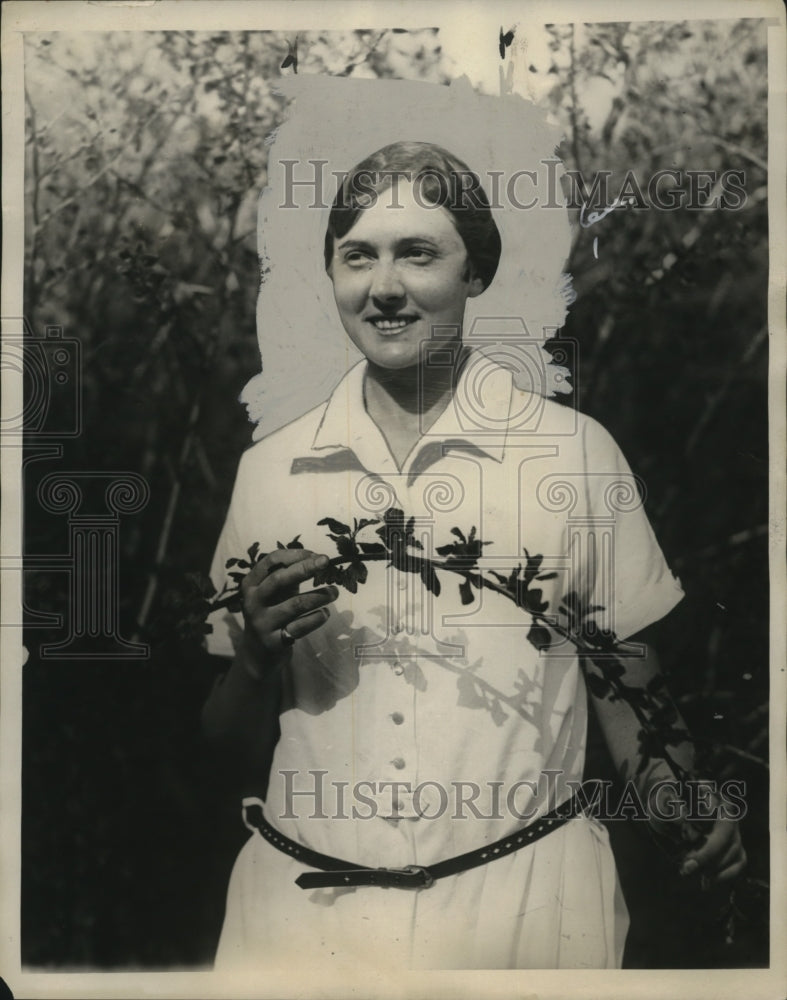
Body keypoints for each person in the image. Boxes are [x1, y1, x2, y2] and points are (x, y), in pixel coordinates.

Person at [202, 141, 745, 971]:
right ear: (333, 277)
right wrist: (250, 657)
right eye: (358, 257)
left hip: (528, 918)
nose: (384, 287)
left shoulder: (573, 454)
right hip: (304, 927)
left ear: (475, 272)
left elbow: (627, 695)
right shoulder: (271, 469)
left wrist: (681, 802)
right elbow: (223, 744)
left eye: (418, 252)